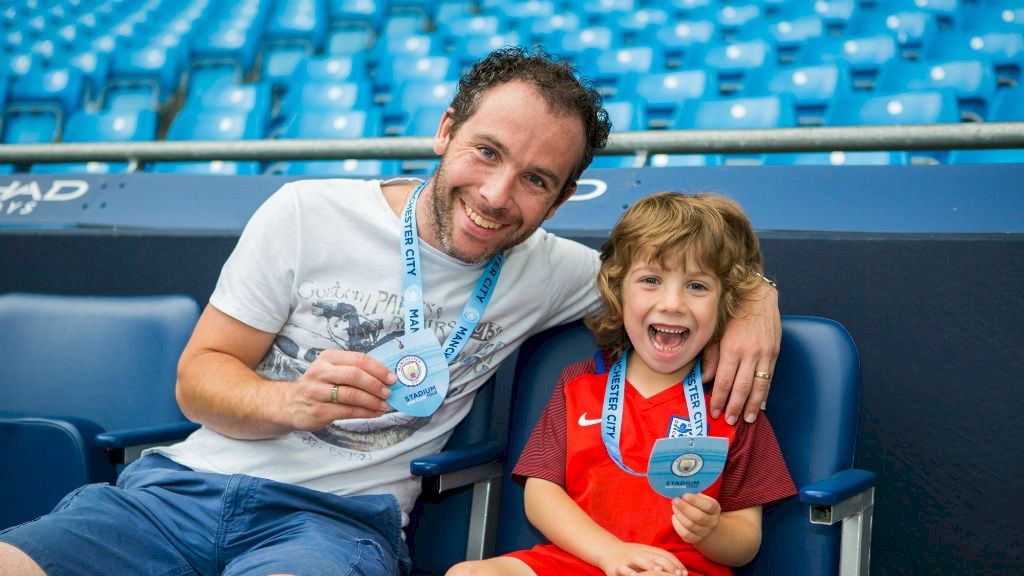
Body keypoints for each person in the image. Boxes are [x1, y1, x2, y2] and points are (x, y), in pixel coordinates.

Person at [0, 48, 779, 576]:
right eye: (486, 152)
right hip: (180, 491)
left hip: (332, 525)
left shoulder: (560, 271)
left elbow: (678, 278)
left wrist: (754, 299)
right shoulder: (305, 210)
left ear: (564, 197)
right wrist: (287, 402)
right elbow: (198, 379)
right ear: (445, 130)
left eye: (538, 180)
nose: (499, 195)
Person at [448, 192, 795, 576]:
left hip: (676, 568)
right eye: (651, 280)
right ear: (618, 290)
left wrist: (711, 531)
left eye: (697, 286)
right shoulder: (577, 384)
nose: (673, 303)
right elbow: (540, 495)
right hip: (578, 559)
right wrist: (609, 553)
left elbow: (747, 540)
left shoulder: (733, 403)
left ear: (726, 302)